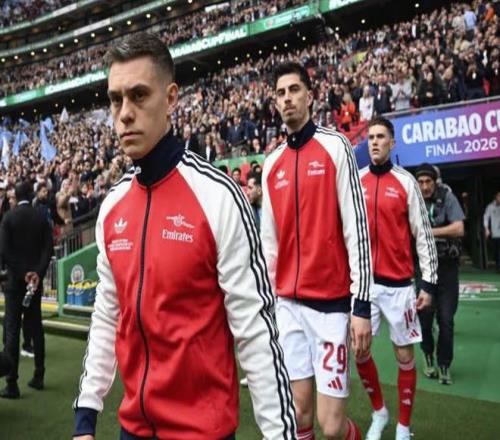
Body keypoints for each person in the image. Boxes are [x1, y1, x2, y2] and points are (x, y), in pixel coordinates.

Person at [72, 33, 296, 440]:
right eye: (115, 100)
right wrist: (86, 414)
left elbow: (256, 332)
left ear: (171, 98)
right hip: (132, 430)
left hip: (203, 432)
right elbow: (107, 315)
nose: (125, 113)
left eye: (139, 95)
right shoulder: (113, 205)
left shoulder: (218, 196)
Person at [261, 61, 372, 440]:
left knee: (332, 426)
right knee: (299, 414)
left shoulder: (335, 147)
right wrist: (269, 306)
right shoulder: (271, 165)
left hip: (331, 307)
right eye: (280, 93)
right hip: (287, 306)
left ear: (309, 96)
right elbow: (269, 245)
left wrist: (361, 306)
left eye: (294, 90)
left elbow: (357, 229)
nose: (287, 98)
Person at [357, 117, 438, 440]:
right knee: (360, 351)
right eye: (371, 137)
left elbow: (423, 235)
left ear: (392, 143)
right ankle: (380, 413)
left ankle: (404, 425)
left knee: (404, 356)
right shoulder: (357, 181)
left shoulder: (406, 182)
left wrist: (428, 283)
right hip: (364, 287)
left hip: (400, 287)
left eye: (381, 137)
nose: (375, 142)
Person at [0, 181, 53, 398]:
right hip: (34, 284)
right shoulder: (41, 217)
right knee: (36, 326)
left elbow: (4, 251)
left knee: (12, 329)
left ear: (16, 196)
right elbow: (48, 250)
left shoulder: (9, 218)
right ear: (31, 195)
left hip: (15, 282)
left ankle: (12, 383)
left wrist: (22, 273)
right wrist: (36, 273)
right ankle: (39, 375)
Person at [415, 163, 465, 385]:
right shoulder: (412, 198)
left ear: (435, 182)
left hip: (447, 268)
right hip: (423, 268)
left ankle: (444, 364)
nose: (425, 186)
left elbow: (459, 228)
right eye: (421, 182)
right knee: (424, 318)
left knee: (446, 319)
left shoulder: (447, 196)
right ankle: (428, 354)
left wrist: (429, 232)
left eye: (428, 182)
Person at [483, 191, 500, 272]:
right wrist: (486, 229)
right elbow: (486, 217)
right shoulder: (490, 207)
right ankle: (498, 265)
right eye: (499, 196)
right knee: (497, 250)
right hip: (495, 232)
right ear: (496, 197)